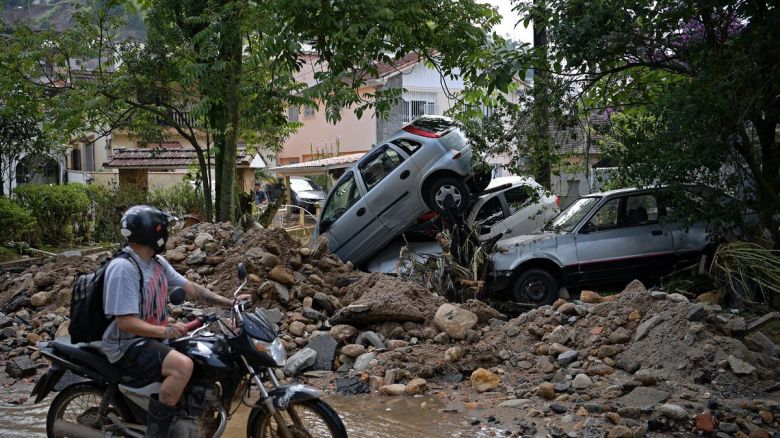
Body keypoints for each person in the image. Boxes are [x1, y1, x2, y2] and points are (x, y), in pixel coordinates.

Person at [102, 205, 250, 437]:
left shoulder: (157, 263)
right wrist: (167, 332)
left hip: (150, 339)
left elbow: (191, 289)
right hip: (127, 344)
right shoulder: (124, 268)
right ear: (151, 231)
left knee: (205, 353)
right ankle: (158, 433)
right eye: (163, 228)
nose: (166, 233)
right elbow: (125, 322)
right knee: (183, 366)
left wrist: (229, 303)